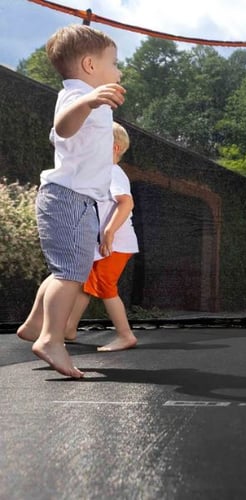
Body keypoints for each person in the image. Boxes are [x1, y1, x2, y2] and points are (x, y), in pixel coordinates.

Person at [16, 24, 125, 377]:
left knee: (65, 270)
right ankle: (50, 339)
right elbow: (62, 127)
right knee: (70, 275)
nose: (119, 71)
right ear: (91, 65)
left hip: (76, 201)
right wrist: (89, 101)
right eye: (115, 63)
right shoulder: (77, 96)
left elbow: (58, 136)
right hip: (69, 199)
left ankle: (35, 324)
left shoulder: (83, 98)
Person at [64, 122, 138, 352]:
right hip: (109, 243)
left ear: (114, 148)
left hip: (116, 244)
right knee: (87, 284)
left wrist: (109, 232)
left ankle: (126, 335)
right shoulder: (104, 172)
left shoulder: (112, 172)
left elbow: (126, 202)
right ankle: (68, 328)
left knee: (105, 286)